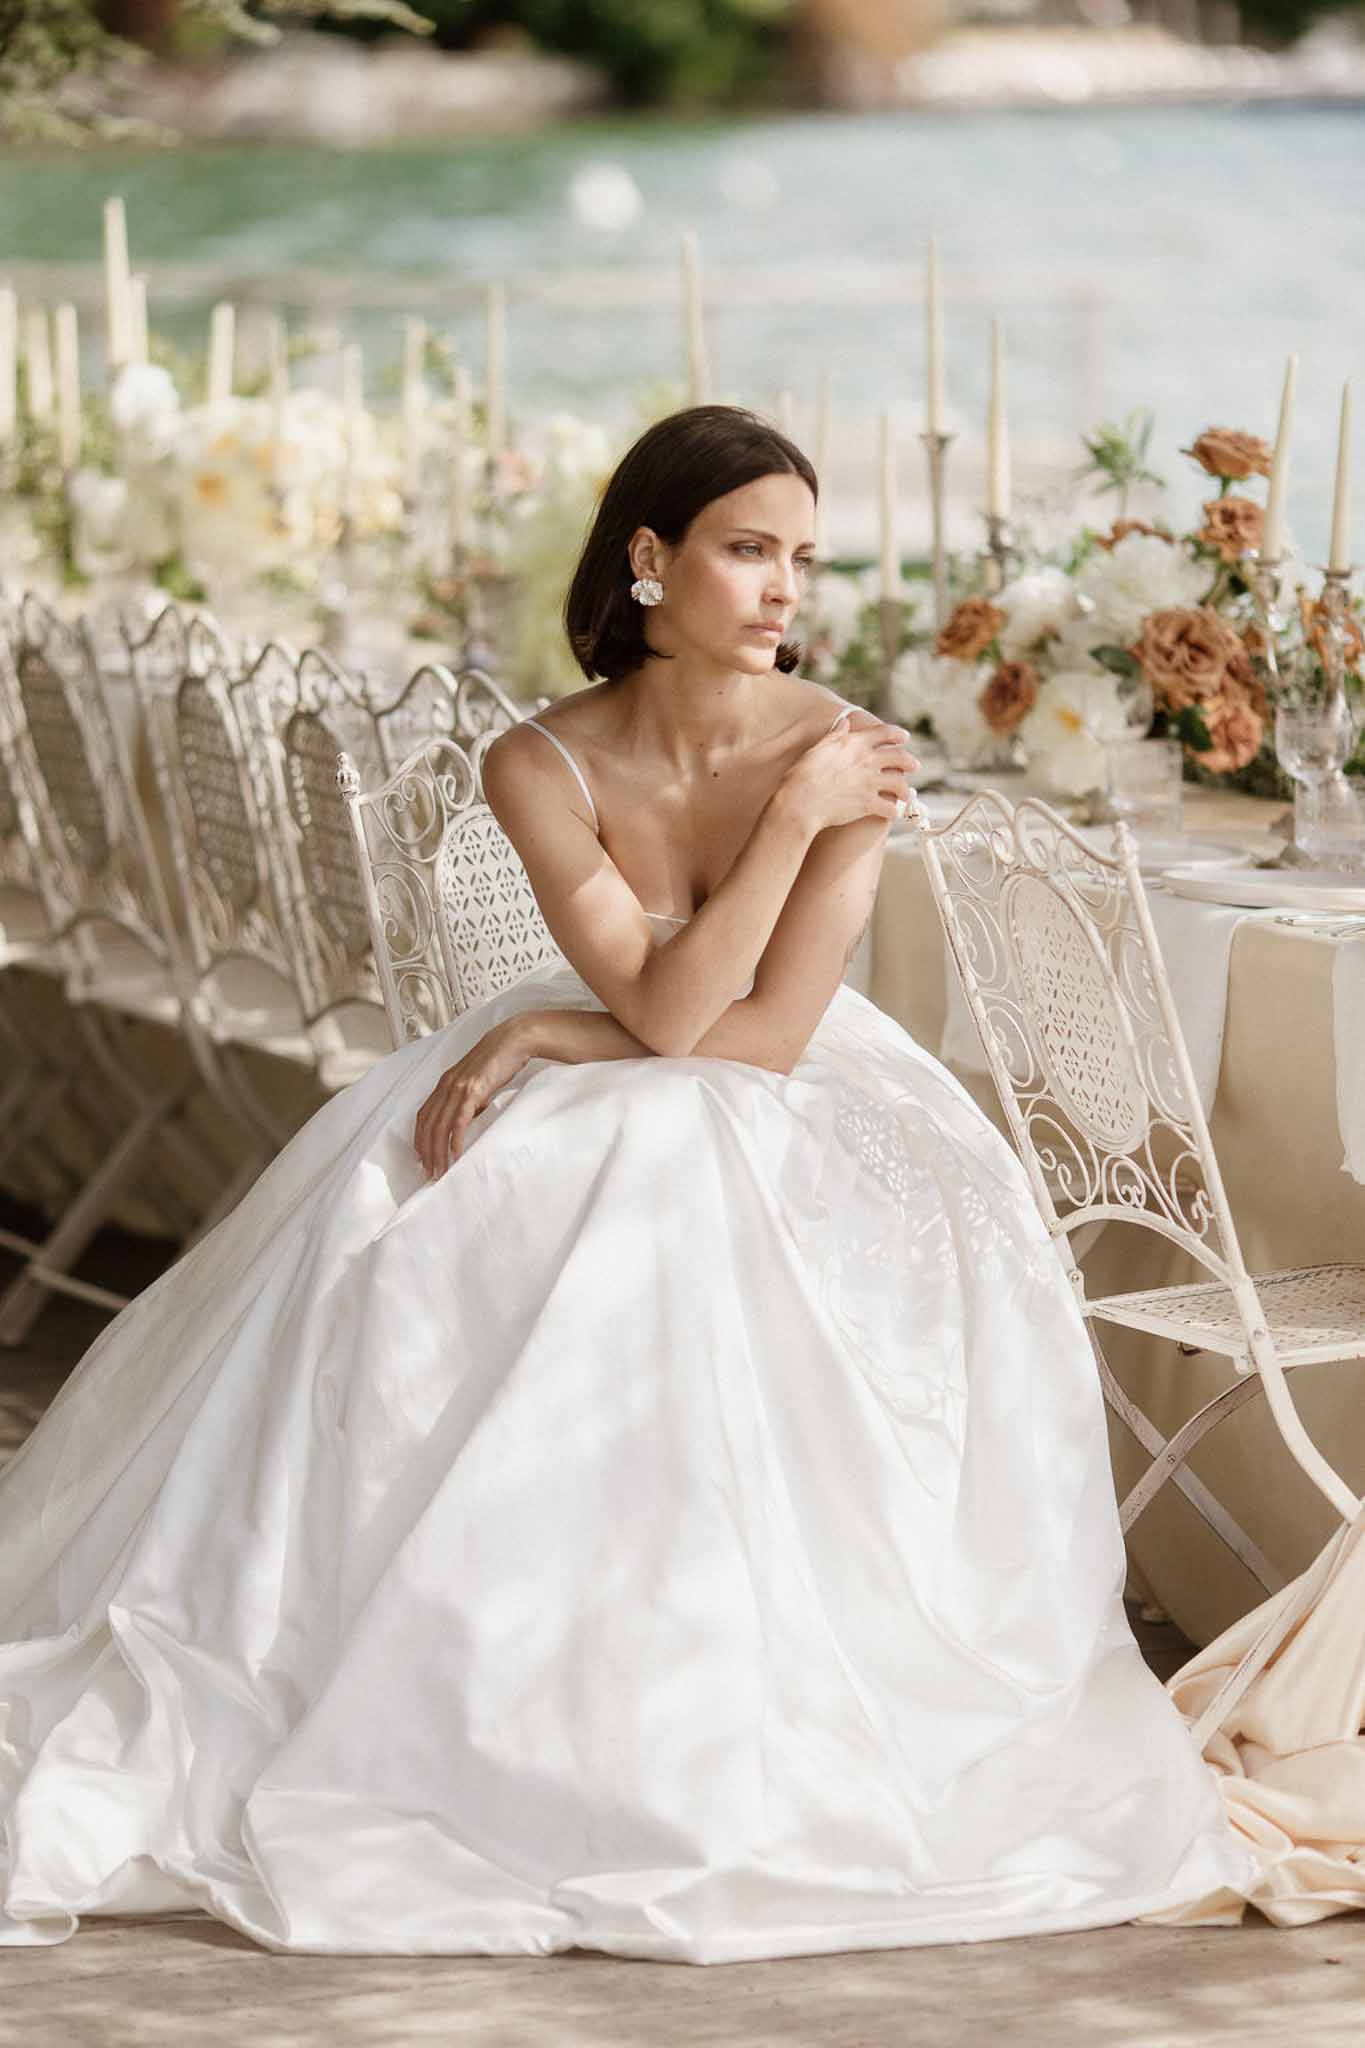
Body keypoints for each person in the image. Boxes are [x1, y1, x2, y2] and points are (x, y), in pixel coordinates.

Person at [0, 406, 1257, 1959]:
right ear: (650, 560)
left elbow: (758, 1040)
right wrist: (576, 1014)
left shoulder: (843, 757)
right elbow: (662, 1019)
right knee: (471, 1197)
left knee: (646, 1161)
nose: (788, 591)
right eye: (749, 551)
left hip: (793, 1095)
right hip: (621, 1064)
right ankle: (467, 1676)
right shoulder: (533, 756)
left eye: (803, 558)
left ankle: (685, 1694)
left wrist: (597, 980)